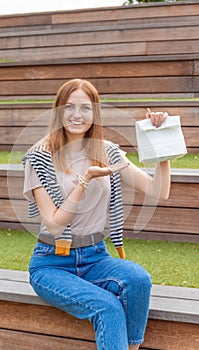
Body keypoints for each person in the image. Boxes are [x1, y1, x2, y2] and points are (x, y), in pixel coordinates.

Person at [23, 78, 171, 350]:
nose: (77, 115)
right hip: (52, 263)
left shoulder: (107, 152)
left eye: (85, 108)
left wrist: (161, 142)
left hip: (96, 257)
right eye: (69, 107)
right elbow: (55, 225)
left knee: (138, 279)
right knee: (108, 307)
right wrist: (84, 182)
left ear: (95, 113)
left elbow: (157, 191)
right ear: (58, 111)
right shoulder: (40, 157)